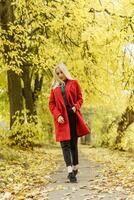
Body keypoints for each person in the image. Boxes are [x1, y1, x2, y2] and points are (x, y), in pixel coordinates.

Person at [49, 63, 90, 183]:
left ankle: (75, 167)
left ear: (65, 71)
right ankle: (70, 172)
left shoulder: (74, 83)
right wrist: (57, 115)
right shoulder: (54, 87)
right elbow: (51, 104)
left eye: (61, 72)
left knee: (72, 144)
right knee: (64, 145)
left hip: (72, 116)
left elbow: (80, 98)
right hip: (62, 119)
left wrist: (75, 107)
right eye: (57, 73)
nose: (60, 75)